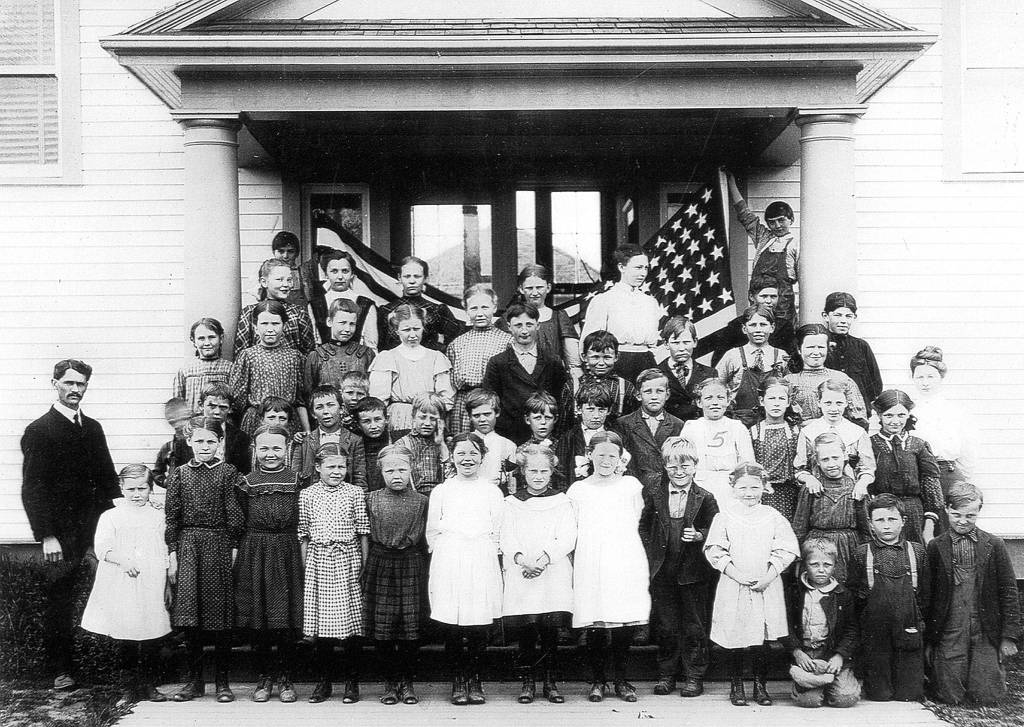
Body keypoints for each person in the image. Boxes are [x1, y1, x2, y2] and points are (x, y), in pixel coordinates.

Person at [20, 358, 120, 689]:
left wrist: (117, 524)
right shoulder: (39, 430)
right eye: (69, 383)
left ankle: (111, 665)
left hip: (96, 531)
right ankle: (60, 669)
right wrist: (46, 535)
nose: (75, 390)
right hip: (61, 535)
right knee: (60, 600)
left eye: (81, 384)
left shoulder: (92, 428)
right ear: (55, 384)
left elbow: (108, 479)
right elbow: (32, 488)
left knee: (107, 593)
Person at [704, 462, 799, 707]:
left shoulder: (773, 517)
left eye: (755, 487)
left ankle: (760, 685)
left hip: (765, 585)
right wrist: (736, 574)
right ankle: (737, 685)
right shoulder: (724, 517)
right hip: (735, 584)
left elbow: (786, 549)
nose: (749, 492)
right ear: (733, 488)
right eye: (743, 487)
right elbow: (715, 549)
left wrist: (768, 576)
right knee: (736, 634)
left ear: (764, 487)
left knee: (763, 637)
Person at [164, 416, 245, 703]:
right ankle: (194, 682)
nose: (205, 446)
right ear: (189, 442)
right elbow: (172, 518)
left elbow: (235, 513)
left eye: (211, 441)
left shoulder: (228, 472)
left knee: (220, 617)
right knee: (191, 617)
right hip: (188, 547)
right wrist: (172, 554)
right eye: (199, 440)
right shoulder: (179, 474)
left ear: (220, 442)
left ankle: (222, 683)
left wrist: (233, 547)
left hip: (219, 544)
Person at [568, 431, 651, 704]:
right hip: (591, 560)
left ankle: (621, 679)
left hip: (624, 558)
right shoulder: (578, 489)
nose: (606, 460)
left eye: (612, 456)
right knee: (596, 621)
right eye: (600, 454)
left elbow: (641, 521)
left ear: (620, 458)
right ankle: (598, 680)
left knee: (623, 621)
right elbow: (572, 528)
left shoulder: (631, 486)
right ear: (589, 455)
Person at [80, 464, 171, 702]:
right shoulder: (110, 516)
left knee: (152, 631)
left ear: (151, 489)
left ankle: (149, 683)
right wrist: (123, 560)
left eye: (142, 488)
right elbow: (103, 548)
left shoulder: (159, 516)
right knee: (126, 633)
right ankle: (128, 686)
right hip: (121, 580)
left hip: (151, 579)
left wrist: (167, 582)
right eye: (131, 489)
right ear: (121, 488)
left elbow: (165, 548)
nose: (136, 494)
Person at [926, 482, 1022, 705]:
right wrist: (930, 639)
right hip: (951, 625)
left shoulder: (994, 544)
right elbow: (928, 595)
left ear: (979, 511)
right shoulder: (936, 546)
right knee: (949, 695)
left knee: (987, 696)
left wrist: (1008, 636)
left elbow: (1008, 590)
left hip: (984, 624)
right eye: (956, 514)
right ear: (947, 509)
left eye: (970, 515)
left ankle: (986, 672)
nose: (962, 521)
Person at [426, 433, 505, 706]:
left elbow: (497, 532)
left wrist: (484, 554)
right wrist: (447, 556)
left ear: (482, 457)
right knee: (452, 622)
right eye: (461, 453)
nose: (467, 459)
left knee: (478, 624)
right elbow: (432, 532)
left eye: (473, 453)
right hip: (450, 558)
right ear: (452, 457)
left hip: (481, 558)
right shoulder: (442, 491)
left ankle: (475, 679)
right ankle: (458, 680)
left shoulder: (492, 491)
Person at [640, 437, 719, 698]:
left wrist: (700, 536)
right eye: (673, 467)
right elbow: (644, 528)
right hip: (663, 571)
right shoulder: (655, 494)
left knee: (694, 626)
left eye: (685, 466)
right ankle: (667, 675)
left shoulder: (705, 497)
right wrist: (651, 557)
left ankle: (694, 676)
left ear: (696, 465)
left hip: (693, 572)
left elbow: (717, 530)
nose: (680, 472)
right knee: (666, 625)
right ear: (665, 467)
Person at [500, 443, 576, 704]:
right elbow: (506, 536)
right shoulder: (511, 503)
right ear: (523, 471)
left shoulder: (563, 501)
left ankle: (550, 681)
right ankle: (528, 681)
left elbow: (567, 536)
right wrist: (522, 559)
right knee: (528, 628)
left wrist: (544, 559)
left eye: (544, 471)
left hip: (551, 571)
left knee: (549, 628)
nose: (538, 476)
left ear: (552, 471)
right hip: (522, 572)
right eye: (532, 471)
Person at [234, 426, 303, 704]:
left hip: (287, 549)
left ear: (287, 448)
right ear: (254, 449)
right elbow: (238, 519)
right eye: (264, 448)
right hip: (256, 550)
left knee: (283, 618)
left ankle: (285, 677)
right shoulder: (246, 482)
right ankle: (264, 678)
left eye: (276, 448)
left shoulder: (298, 480)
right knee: (259, 618)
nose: (270, 453)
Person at [299, 442, 370, 704]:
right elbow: (303, 534)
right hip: (319, 561)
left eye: (342, 466)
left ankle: (352, 683)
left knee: (352, 625)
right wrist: (307, 566)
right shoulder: (307, 495)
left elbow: (363, 531)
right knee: (322, 627)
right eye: (331, 466)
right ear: (318, 467)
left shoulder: (354, 493)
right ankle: (324, 682)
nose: (337, 471)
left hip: (348, 560)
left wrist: (362, 564)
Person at [846, 494, 930, 702]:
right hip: (876, 630)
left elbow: (926, 594)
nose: (886, 526)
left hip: (909, 626)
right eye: (880, 520)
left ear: (903, 521)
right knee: (879, 694)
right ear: (871, 524)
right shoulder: (861, 553)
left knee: (909, 694)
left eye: (892, 519)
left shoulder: (916, 551)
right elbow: (854, 595)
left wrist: (919, 621)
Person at [363, 445, 429, 706]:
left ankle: (407, 681)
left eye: (402, 469)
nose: (396, 475)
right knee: (384, 627)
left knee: (410, 626)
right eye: (390, 470)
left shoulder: (422, 501)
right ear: (381, 471)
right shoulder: (371, 498)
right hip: (381, 562)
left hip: (411, 562)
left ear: (411, 469)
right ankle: (390, 682)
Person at [784, 538, 861, 709]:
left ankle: (831, 682)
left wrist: (840, 656)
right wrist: (797, 652)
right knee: (809, 701)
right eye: (814, 564)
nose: (821, 570)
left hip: (833, 654)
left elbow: (852, 629)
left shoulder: (842, 594)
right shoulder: (795, 592)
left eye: (827, 565)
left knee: (846, 698)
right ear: (804, 565)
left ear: (835, 566)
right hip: (806, 654)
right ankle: (810, 682)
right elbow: (785, 626)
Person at [482, 303, 567, 443]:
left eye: (529, 324)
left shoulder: (553, 361)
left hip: (545, 434)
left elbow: (561, 400)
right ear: (509, 327)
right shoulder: (498, 362)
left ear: (538, 325)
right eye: (518, 325)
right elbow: (491, 402)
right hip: (510, 434)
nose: (524, 331)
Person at [792, 433, 870, 582]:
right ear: (817, 461)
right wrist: (798, 557)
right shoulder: (811, 487)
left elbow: (865, 527)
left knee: (847, 589)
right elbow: (800, 526)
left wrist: (866, 555)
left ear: (845, 456)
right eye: (825, 459)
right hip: (817, 547)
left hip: (849, 546)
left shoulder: (855, 487)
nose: (831, 463)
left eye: (835, 458)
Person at [369, 303, 455, 438]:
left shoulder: (436, 357)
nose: (413, 335)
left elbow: (446, 397)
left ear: (423, 328)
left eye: (416, 329)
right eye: (406, 330)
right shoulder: (387, 357)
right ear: (397, 330)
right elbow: (378, 399)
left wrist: (432, 414)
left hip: (429, 417)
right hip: (399, 418)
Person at [725, 170, 799, 326]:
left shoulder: (797, 245)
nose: (777, 226)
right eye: (772, 222)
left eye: (781, 220)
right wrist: (730, 181)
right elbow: (744, 213)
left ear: (791, 219)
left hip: (784, 310)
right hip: (758, 308)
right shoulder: (764, 238)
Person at [869, 389, 944, 544]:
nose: (895, 421)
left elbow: (931, 488)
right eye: (889, 415)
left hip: (913, 514)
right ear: (879, 416)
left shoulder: (919, 445)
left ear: (908, 414)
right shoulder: (869, 444)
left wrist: (928, 527)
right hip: (882, 515)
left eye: (901, 415)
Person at [580, 244, 661, 382]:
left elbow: (653, 343)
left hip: (646, 362)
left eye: (646, 268)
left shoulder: (650, 302)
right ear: (621, 267)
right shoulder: (604, 300)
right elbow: (589, 341)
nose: (643, 273)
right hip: (615, 364)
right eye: (638, 267)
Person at [229, 299, 310, 436]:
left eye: (275, 323)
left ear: (284, 325)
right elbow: (237, 400)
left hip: (287, 420)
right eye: (264, 324)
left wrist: (307, 430)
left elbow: (300, 400)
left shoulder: (295, 357)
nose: (270, 329)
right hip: (256, 421)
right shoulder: (247, 356)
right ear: (255, 326)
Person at [908, 346, 978, 499]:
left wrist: (965, 479)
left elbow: (968, 449)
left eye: (930, 377)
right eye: (920, 377)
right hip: (917, 475)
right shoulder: (908, 411)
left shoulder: (955, 411)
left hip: (947, 473)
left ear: (941, 377)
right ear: (913, 378)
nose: (925, 383)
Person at [446, 284, 513, 436]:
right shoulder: (457, 344)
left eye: (485, 307)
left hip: (492, 403)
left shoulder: (507, 341)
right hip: (463, 405)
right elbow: (450, 383)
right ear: (466, 311)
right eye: (474, 308)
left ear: (494, 307)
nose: (480, 313)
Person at [794, 379, 875, 500]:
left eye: (839, 403)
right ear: (819, 402)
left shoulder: (857, 432)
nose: (834, 408)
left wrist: (862, 484)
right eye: (828, 403)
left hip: (851, 494)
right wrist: (809, 479)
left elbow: (867, 468)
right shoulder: (808, 432)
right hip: (818, 494)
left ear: (846, 403)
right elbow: (799, 469)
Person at [680, 378, 755, 505]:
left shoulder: (736, 427)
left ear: (728, 401)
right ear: (699, 402)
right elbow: (683, 461)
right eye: (709, 398)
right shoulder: (691, 427)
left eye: (720, 398)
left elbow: (747, 463)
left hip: (731, 489)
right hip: (699, 485)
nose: (715, 403)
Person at [506, 264, 582, 387]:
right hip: (518, 381)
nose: (535, 292)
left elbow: (572, 358)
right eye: (529, 288)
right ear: (521, 289)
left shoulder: (559, 317)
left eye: (539, 287)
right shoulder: (510, 318)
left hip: (552, 380)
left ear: (548, 287)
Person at [695, 276, 797, 365]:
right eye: (764, 296)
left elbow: (792, 360)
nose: (769, 301)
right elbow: (719, 360)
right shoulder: (736, 325)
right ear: (751, 297)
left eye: (773, 296)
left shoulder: (784, 327)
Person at [715, 304, 789, 427]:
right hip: (740, 421)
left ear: (772, 327)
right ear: (744, 329)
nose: (758, 330)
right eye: (753, 325)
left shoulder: (781, 356)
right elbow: (717, 385)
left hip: (773, 420)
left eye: (763, 325)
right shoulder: (732, 355)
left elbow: (789, 387)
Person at [613, 368, 684, 494]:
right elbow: (624, 460)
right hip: (636, 487)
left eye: (659, 391)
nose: (654, 397)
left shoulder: (678, 425)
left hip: (667, 488)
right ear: (638, 395)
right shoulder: (624, 424)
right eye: (648, 392)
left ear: (667, 395)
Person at [783, 323, 867, 426]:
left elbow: (859, 419)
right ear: (799, 349)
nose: (816, 352)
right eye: (810, 347)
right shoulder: (789, 381)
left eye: (821, 347)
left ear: (828, 349)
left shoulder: (841, 379)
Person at [378, 256, 462, 352]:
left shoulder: (437, 310)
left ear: (425, 279)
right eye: (407, 276)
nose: (412, 281)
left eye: (417, 276)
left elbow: (455, 342)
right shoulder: (386, 311)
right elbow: (381, 346)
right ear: (399, 278)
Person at [292, 385, 367, 490]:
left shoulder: (354, 440)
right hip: (312, 498)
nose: (325, 411)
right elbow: (295, 476)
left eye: (330, 405)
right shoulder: (304, 441)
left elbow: (359, 478)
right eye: (319, 407)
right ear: (313, 414)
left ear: (341, 409)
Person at [235, 258, 316, 354]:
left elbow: (309, 353)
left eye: (289, 280)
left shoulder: (299, 313)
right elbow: (241, 353)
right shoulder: (250, 313)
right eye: (279, 279)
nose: (286, 284)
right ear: (264, 282)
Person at [749, 377, 802, 522]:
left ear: (788, 402)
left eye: (781, 398)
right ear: (762, 401)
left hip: (791, 492)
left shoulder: (795, 431)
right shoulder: (754, 432)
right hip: (764, 492)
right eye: (771, 398)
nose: (776, 403)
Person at [563, 330, 638, 428]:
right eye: (595, 357)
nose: (601, 363)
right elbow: (564, 424)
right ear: (584, 357)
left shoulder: (625, 387)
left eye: (607, 357)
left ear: (616, 357)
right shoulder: (572, 386)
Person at [307, 249, 379, 349]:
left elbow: (371, 346)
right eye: (334, 271)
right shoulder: (315, 304)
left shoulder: (365, 304)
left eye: (345, 271)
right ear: (326, 274)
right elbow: (314, 343)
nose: (340, 277)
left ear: (352, 274)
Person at [821, 292, 882, 408]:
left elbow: (875, 384)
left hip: (857, 410)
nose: (843, 320)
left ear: (854, 317)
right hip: (828, 409)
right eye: (838, 315)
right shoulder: (819, 345)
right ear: (826, 316)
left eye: (848, 316)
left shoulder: (861, 346)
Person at [303, 298, 376, 394]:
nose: (347, 329)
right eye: (342, 323)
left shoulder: (366, 354)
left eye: (352, 324)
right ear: (329, 322)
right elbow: (309, 393)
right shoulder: (316, 356)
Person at [657, 316, 715, 422]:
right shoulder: (656, 373)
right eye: (675, 343)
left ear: (695, 342)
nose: (681, 348)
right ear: (666, 343)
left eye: (686, 342)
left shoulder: (709, 373)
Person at [556, 383, 614, 487]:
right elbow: (560, 474)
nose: (596, 416)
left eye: (601, 410)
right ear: (579, 409)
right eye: (590, 409)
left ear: (608, 411)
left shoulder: (615, 437)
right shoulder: (569, 438)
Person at [173, 317, 233, 415]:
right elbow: (177, 405)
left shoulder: (230, 368)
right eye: (201, 338)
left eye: (212, 337)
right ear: (193, 341)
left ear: (221, 338)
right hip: (193, 425)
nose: (207, 343)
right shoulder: (185, 371)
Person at [395, 393, 451, 497]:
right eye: (423, 417)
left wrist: (441, 444)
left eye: (433, 419)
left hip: (441, 497)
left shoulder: (448, 444)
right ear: (413, 417)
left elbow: (451, 475)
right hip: (412, 498)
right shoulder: (403, 444)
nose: (427, 423)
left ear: (441, 421)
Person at [464, 388, 517, 492]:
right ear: (470, 417)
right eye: (476, 415)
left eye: (487, 414)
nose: (482, 419)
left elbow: (511, 481)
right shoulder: (464, 443)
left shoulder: (507, 445)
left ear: (497, 413)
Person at [354, 397, 391, 492]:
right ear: (358, 424)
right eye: (367, 421)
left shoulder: (396, 441)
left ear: (386, 419)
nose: (373, 426)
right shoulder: (355, 444)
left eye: (378, 419)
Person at [269, 230, 308, 307]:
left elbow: (308, 301)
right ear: (274, 252)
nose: (285, 256)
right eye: (281, 251)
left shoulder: (302, 273)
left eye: (290, 251)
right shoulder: (267, 272)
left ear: (297, 253)